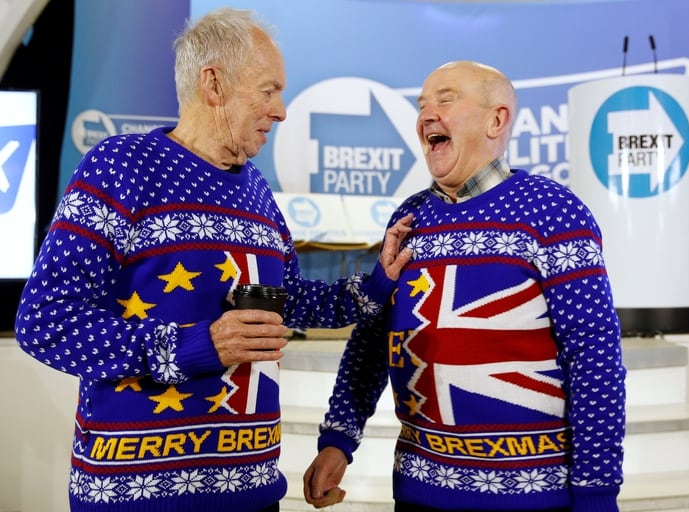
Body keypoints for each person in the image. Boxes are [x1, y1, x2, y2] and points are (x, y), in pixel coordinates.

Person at [13, 7, 412, 512]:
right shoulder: (120, 167)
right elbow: (44, 320)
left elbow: (288, 305)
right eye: (268, 90)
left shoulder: (259, 192)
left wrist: (377, 285)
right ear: (214, 84)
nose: (282, 110)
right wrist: (192, 348)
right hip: (140, 497)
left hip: (253, 490)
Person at [303, 60, 627, 512]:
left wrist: (596, 494)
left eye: (446, 99)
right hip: (418, 493)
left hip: (533, 501)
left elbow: (595, 357)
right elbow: (374, 339)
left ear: (497, 119)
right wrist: (339, 438)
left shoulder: (555, 213)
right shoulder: (410, 218)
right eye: (422, 104)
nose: (426, 114)